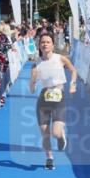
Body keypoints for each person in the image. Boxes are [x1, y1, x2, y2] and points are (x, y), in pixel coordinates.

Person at [29, 33, 78, 170]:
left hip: (58, 97)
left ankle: (61, 137)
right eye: (42, 42)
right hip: (44, 98)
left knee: (55, 133)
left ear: (52, 45)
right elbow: (32, 87)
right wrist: (33, 82)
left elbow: (73, 70)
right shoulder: (36, 64)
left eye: (48, 42)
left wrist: (73, 83)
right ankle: (49, 158)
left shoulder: (60, 59)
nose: (45, 44)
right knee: (45, 133)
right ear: (39, 45)